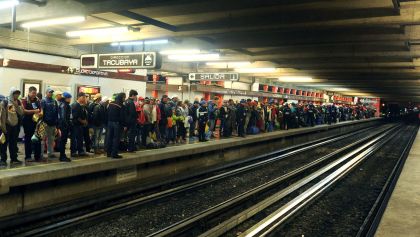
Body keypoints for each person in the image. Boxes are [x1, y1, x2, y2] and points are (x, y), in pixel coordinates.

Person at [0, 88, 24, 166]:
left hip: (15, 126)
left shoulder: (18, 102)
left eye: (18, 94)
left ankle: (14, 158)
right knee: (4, 143)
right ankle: (3, 159)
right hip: (7, 126)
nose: (17, 95)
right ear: (12, 93)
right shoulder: (5, 102)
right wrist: (3, 126)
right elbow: (1, 115)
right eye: (15, 93)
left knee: (13, 143)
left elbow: (21, 113)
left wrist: (17, 106)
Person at [21, 86, 42, 161]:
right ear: (29, 92)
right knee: (28, 139)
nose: (34, 94)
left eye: (35, 93)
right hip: (27, 122)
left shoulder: (37, 100)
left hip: (36, 122)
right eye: (33, 93)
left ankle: (37, 156)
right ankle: (28, 156)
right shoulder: (24, 100)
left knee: (38, 138)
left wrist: (40, 113)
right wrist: (34, 111)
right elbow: (24, 111)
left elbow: (40, 109)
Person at [106, 93, 126, 159]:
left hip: (109, 122)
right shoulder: (121, 106)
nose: (124, 99)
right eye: (124, 97)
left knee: (109, 138)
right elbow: (122, 117)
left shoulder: (111, 103)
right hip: (117, 124)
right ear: (121, 98)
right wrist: (124, 125)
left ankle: (108, 153)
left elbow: (107, 112)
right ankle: (114, 154)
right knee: (116, 139)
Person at [40, 88, 59, 158]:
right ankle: (41, 154)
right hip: (45, 123)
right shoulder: (43, 101)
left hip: (53, 123)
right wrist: (41, 122)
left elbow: (57, 112)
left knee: (51, 139)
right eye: (49, 92)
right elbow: (41, 112)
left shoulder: (54, 101)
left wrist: (57, 124)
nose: (51, 93)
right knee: (42, 139)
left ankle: (50, 153)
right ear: (46, 93)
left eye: (51, 92)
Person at [71, 92, 88, 157]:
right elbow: (75, 116)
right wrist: (83, 121)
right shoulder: (75, 105)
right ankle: (74, 152)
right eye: (83, 97)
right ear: (79, 97)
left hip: (79, 125)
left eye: (85, 97)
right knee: (74, 139)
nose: (84, 99)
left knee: (80, 139)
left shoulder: (80, 105)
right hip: (75, 125)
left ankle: (80, 151)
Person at [57, 92, 72, 162]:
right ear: (67, 98)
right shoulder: (65, 105)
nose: (70, 100)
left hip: (61, 125)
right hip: (64, 126)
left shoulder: (61, 104)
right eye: (69, 98)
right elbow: (63, 117)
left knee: (62, 141)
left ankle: (62, 155)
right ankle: (62, 156)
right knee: (63, 141)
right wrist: (67, 125)